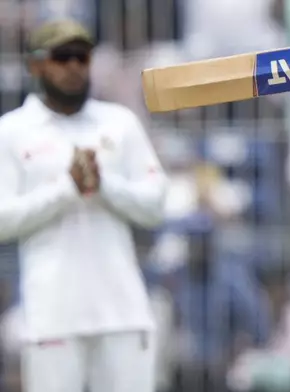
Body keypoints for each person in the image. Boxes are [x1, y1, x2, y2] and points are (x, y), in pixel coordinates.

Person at [0, 19, 168, 392]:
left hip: (124, 313)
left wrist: (103, 184)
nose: (75, 67)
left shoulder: (120, 122)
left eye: (82, 56)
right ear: (36, 65)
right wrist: (67, 188)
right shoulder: (11, 131)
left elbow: (156, 204)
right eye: (63, 57)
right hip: (52, 317)